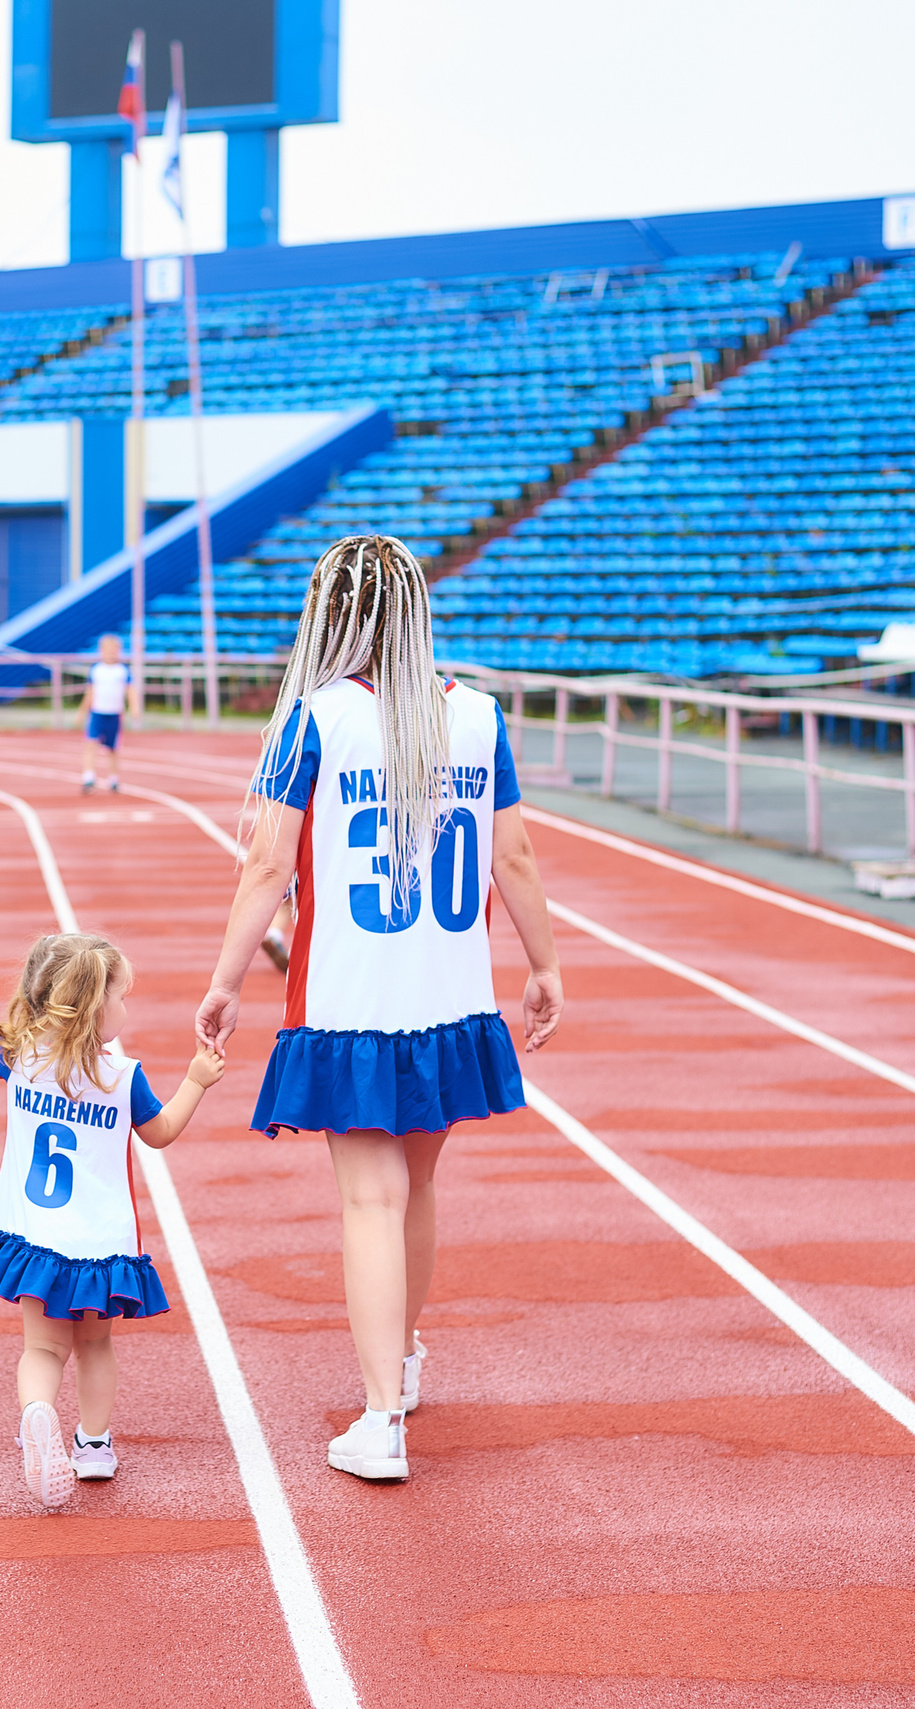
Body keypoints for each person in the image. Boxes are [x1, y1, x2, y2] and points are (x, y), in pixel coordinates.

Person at [194, 534, 563, 1485]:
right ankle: (399, 1362)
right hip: (449, 999)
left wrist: (226, 980)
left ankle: (382, 1417)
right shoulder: (478, 716)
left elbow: (269, 865)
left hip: (355, 1005)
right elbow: (513, 857)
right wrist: (544, 965)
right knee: (418, 1189)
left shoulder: (317, 720)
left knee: (369, 1198)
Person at [0, 932, 224, 1510]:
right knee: (96, 1345)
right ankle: (95, 1445)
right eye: (122, 999)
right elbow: (161, 1134)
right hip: (99, 1246)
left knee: (43, 1350)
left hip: (34, 1238)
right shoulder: (123, 1078)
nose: (126, 1011)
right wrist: (197, 1081)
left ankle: (37, 1413)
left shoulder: (20, 1057)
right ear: (95, 1008)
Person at [80, 633, 129, 793]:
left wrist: (134, 708)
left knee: (113, 749)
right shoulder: (96, 670)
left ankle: (114, 779)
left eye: (114, 650)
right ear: (101, 651)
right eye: (107, 650)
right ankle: (89, 777)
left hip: (114, 714)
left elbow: (131, 690)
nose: (111, 653)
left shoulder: (122, 670)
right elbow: (90, 692)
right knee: (90, 744)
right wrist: (82, 711)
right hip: (97, 713)